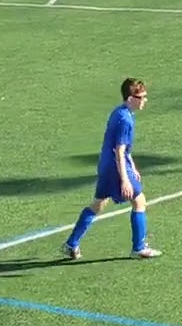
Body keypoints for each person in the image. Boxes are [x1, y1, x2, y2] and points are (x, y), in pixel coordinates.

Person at [62, 78, 162, 260]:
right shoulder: (125, 120)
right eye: (141, 97)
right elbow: (120, 150)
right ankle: (139, 247)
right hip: (116, 168)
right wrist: (125, 179)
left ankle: (71, 243)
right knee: (139, 201)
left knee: (98, 204)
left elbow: (121, 148)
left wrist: (133, 166)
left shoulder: (120, 113)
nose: (145, 100)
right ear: (130, 98)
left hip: (106, 166)